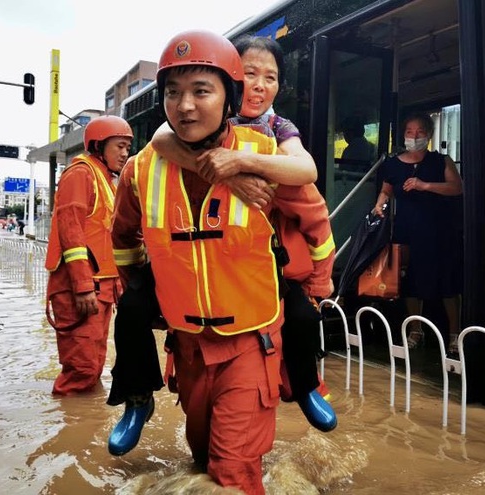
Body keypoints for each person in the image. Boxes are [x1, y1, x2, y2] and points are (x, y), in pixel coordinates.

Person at [106, 35, 336, 459]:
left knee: (235, 466)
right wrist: (141, 282)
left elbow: (314, 210)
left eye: (201, 91)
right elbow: (122, 236)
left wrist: (319, 285)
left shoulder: (274, 146)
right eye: (173, 93)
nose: (185, 105)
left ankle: (305, 386)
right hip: (188, 335)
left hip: (253, 323)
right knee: (200, 455)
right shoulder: (146, 163)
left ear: (229, 98)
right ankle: (137, 396)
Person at [44, 115, 133, 395]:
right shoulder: (81, 174)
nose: (124, 153)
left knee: (94, 365)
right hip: (79, 290)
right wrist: (83, 287)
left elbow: (106, 240)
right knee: (81, 369)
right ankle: (71, 429)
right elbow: (71, 234)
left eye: (127, 147)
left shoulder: (107, 180)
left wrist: (118, 284)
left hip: (100, 290)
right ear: (98, 145)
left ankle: (84, 422)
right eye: (119, 146)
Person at [372, 112, 463, 352]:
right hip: (406, 229)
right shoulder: (392, 164)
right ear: (403, 135)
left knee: (447, 282)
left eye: (420, 132)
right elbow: (386, 191)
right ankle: (415, 330)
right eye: (410, 132)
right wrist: (379, 205)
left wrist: (425, 186)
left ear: (429, 135)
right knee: (408, 281)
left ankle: (455, 334)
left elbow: (456, 188)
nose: (415, 136)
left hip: (439, 230)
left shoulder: (441, 161)